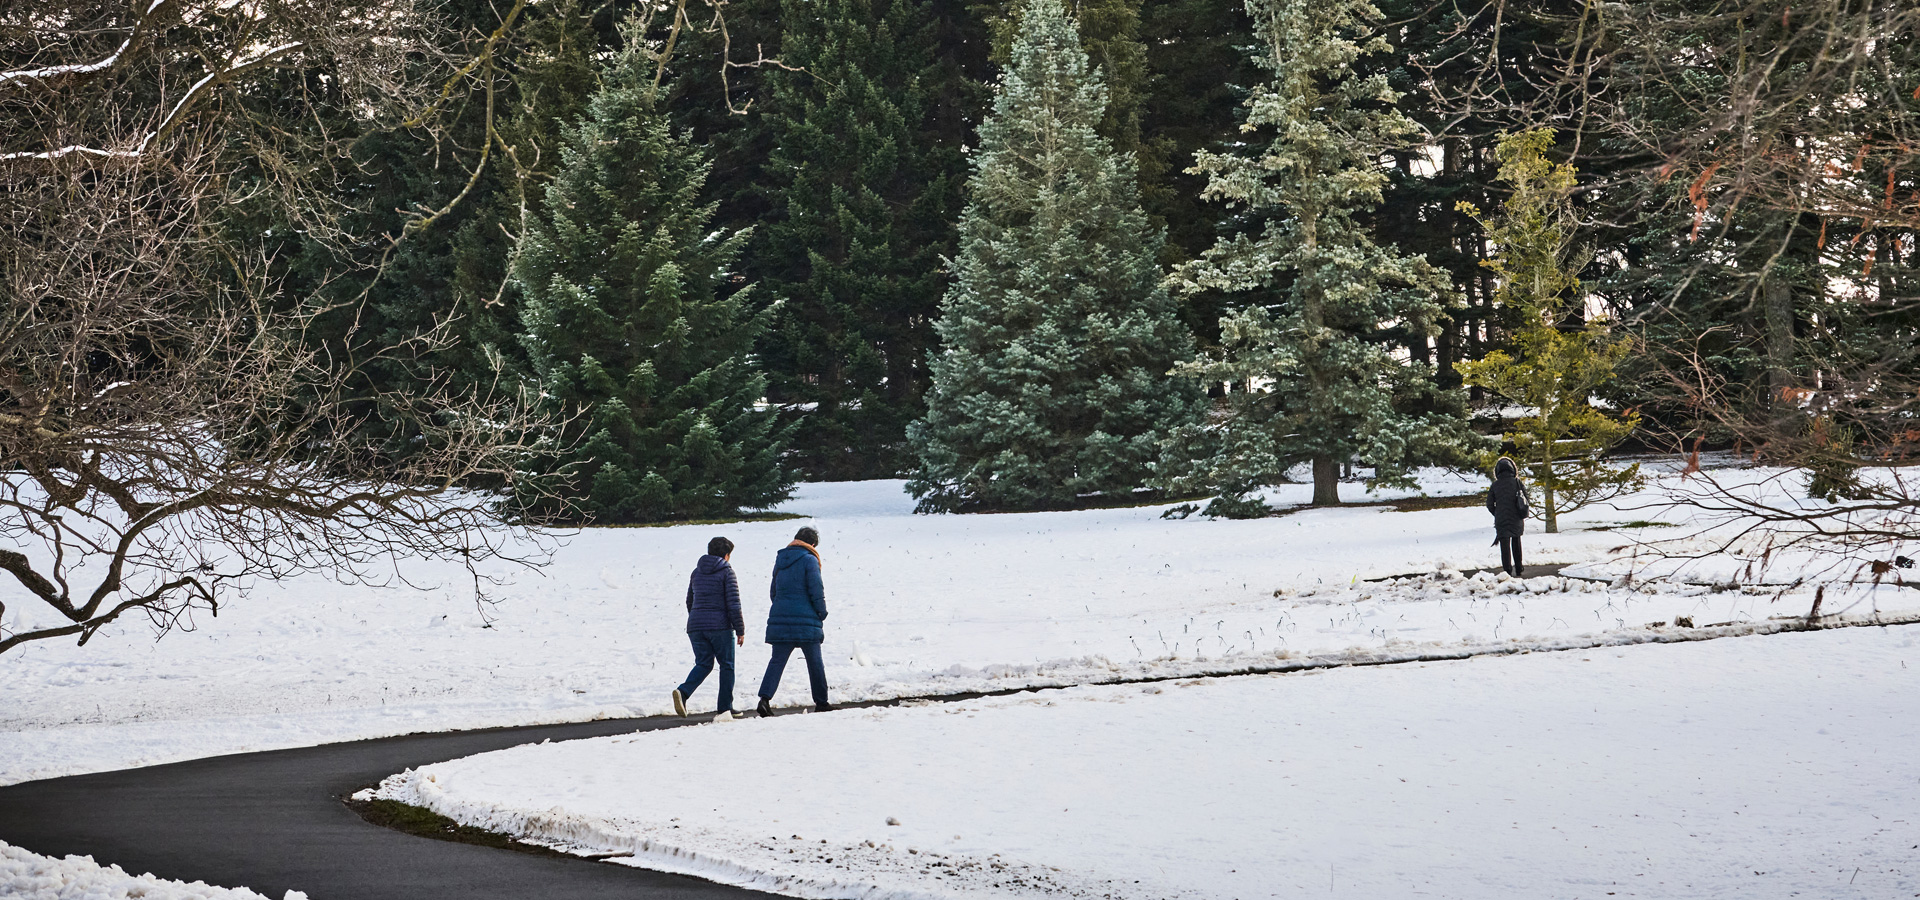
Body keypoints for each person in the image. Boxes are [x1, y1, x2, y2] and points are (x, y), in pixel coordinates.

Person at [756, 526, 831, 716]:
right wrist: (821, 613)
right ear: (812, 544)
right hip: (806, 621)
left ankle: (764, 700)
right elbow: (816, 590)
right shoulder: (809, 559)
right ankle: (821, 702)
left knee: (777, 662)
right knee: (815, 663)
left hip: (781, 619)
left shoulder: (780, 560)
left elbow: (773, 592)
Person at [673, 536, 745, 719]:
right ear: (726, 555)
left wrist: (697, 618)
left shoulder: (696, 572)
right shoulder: (727, 572)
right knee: (727, 665)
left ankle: (683, 692)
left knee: (704, 663)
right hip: (720, 626)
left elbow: (689, 600)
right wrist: (740, 629)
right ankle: (725, 708)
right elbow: (734, 604)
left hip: (695, 625)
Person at [1487, 456, 1530, 577]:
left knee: (1504, 546)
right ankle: (1519, 567)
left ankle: (1507, 570)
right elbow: (1526, 499)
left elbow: (1489, 504)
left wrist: (1497, 512)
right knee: (1516, 542)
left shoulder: (1495, 485)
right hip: (1516, 517)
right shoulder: (1517, 483)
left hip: (1501, 519)